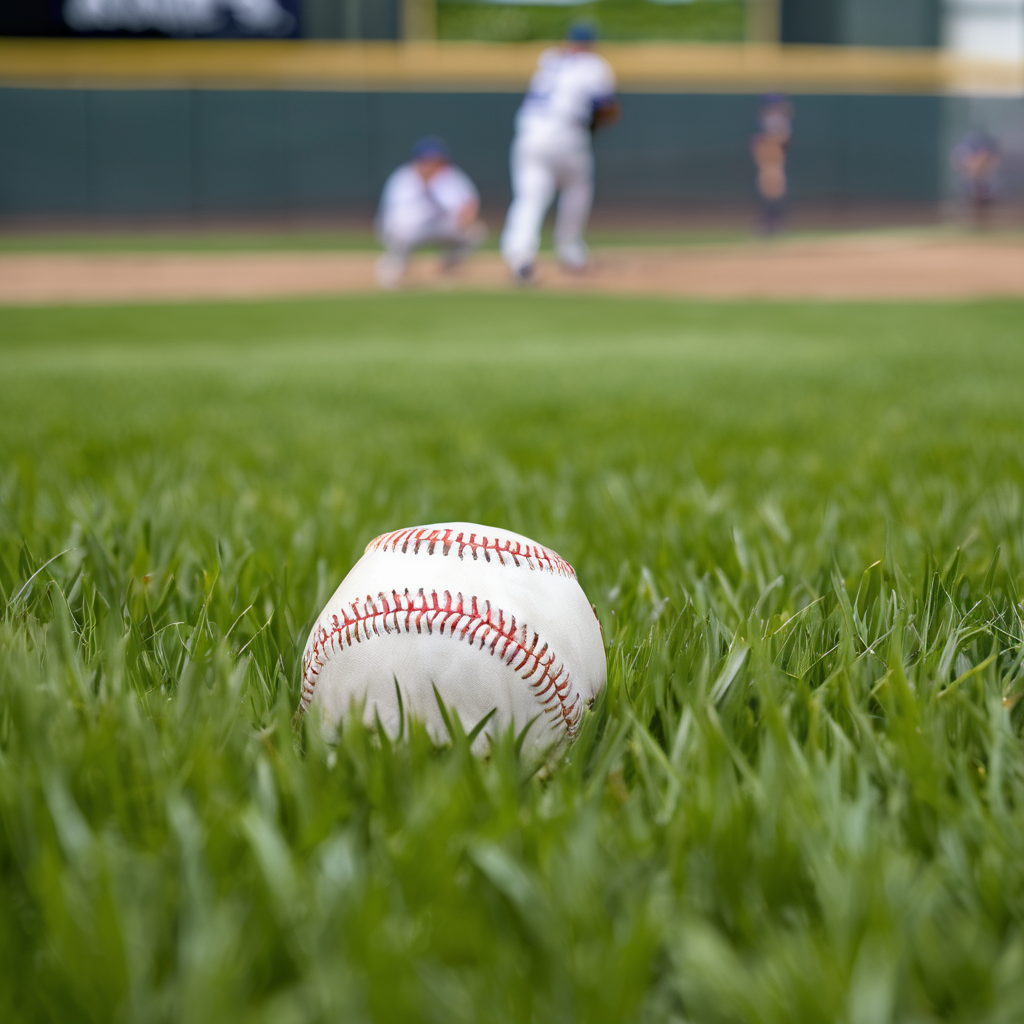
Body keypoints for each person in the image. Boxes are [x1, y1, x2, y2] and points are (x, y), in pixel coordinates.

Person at [500, 23, 620, 284]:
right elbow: (605, 106)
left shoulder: (550, 60)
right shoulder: (593, 65)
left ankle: (519, 257)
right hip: (565, 134)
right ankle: (571, 252)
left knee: (529, 197)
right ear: (591, 44)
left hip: (529, 134)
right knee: (577, 186)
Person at [375, 136, 486, 289]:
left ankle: (450, 264)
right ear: (418, 162)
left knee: (475, 231)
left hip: (439, 226)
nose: (434, 165)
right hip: (410, 229)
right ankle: (396, 264)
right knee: (399, 229)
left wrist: (466, 216)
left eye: (438, 161)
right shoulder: (403, 178)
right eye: (429, 161)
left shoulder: (450, 176)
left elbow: (469, 204)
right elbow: (391, 215)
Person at [750, 93, 792, 235]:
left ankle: (775, 223)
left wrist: (765, 141)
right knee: (768, 192)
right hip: (767, 162)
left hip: (774, 162)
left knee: (774, 191)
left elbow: (783, 139)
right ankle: (770, 223)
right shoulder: (770, 118)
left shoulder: (779, 120)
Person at [951, 130, 1001, 229]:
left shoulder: (987, 168)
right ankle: (974, 225)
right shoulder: (964, 154)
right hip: (971, 181)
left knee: (984, 201)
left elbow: (990, 161)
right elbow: (958, 163)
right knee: (972, 200)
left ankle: (983, 225)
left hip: (981, 183)